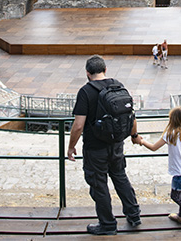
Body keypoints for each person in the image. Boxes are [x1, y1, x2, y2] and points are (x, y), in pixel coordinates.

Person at [67, 55, 141, 235]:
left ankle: (107, 224)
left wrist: (70, 147)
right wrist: (134, 135)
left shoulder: (85, 91)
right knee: (120, 177)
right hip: (116, 144)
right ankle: (134, 214)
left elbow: (78, 125)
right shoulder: (118, 85)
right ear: (105, 70)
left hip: (94, 147)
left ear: (87, 73)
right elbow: (130, 115)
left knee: (99, 185)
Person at [134, 107, 181, 227]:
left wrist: (142, 141)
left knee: (175, 196)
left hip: (180, 172)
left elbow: (154, 147)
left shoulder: (170, 134)